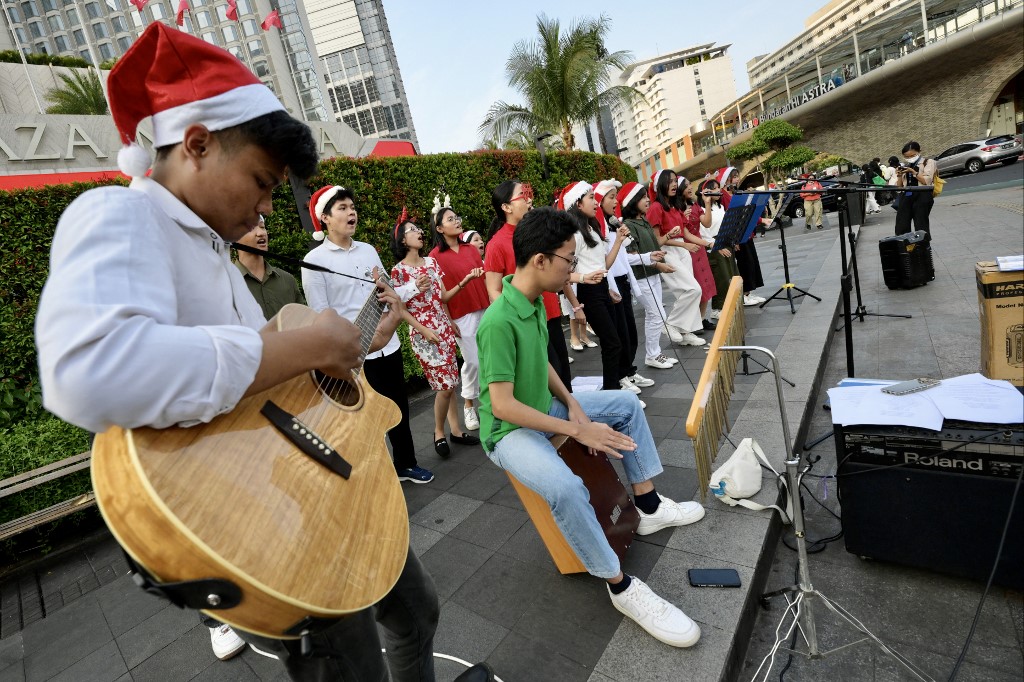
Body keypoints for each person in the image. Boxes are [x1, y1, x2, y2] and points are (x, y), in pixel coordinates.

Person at [34, 23, 502, 682]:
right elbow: (86, 371)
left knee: (417, 612)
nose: (264, 204)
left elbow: (263, 380)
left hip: (303, 481)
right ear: (196, 143)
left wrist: (330, 347)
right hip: (262, 517)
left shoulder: (212, 253)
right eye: (260, 180)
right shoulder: (117, 216)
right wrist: (304, 343)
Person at [476, 205, 705, 648]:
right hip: (510, 432)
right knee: (564, 489)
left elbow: (540, 363)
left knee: (623, 403)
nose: (573, 269)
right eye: (569, 259)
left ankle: (649, 505)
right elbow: (502, 406)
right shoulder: (497, 320)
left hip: (544, 407)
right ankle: (619, 585)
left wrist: (572, 407)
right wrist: (578, 430)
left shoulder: (532, 301)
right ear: (540, 260)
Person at [303, 185, 435, 485]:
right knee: (369, 418)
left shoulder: (368, 250)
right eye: (342, 208)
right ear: (324, 217)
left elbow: (386, 292)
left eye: (352, 206)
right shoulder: (314, 261)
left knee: (399, 408)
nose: (352, 212)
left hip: (389, 345)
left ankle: (406, 464)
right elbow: (321, 314)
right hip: (357, 354)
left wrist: (412, 289)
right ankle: (378, 477)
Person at [389, 213, 482, 456]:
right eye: (412, 230)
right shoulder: (397, 272)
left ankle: (456, 431)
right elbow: (399, 309)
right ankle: (439, 432)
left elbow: (443, 297)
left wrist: (464, 281)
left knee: (450, 382)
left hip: (442, 328)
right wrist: (423, 329)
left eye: (419, 229)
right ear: (402, 240)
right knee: (445, 385)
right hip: (423, 333)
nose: (419, 232)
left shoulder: (431, 263)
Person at [484, 180, 576, 390]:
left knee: (563, 373)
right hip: (524, 318)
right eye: (522, 195)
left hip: (548, 312)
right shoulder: (496, 245)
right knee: (546, 379)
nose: (529, 199)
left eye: (528, 194)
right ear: (506, 207)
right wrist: (516, 316)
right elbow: (493, 289)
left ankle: (572, 414)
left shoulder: (539, 232)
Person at [561, 181, 638, 397]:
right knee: (612, 343)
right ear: (577, 204)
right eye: (591, 199)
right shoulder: (574, 235)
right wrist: (577, 306)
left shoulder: (592, 228)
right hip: (589, 293)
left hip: (602, 289)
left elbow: (603, 265)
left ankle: (614, 389)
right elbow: (563, 274)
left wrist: (619, 241)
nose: (596, 203)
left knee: (615, 343)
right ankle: (612, 392)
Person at [429, 201, 489, 432]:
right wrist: (448, 319)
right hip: (460, 314)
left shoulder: (470, 249)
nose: (457, 221)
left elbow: (483, 279)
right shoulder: (434, 257)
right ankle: (469, 405)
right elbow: (439, 293)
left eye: (457, 217)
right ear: (440, 228)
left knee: (489, 358)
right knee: (473, 361)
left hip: (484, 307)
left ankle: (492, 406)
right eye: (450, 219)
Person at [596, 178, 657, 394]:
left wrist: (649, 257)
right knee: (619, 334)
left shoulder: (614, 224)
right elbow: (606, 263)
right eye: (611, 197)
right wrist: (611, 286)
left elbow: (623, 259)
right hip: (612, 286)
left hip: (623, 282)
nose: (615, 201)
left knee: (631, 331)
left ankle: (629, 371)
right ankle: (621, 376)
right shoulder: (600, 229)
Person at [618, 181, 678, 370]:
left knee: (655, 314)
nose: (647, 200)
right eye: (643, 197)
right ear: (632, 201)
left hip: (652, 274)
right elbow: (633, 257)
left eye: (646, 196)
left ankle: (655, 352)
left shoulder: (643, 221)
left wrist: (659, 256)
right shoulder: (628, 225)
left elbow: (652, 246)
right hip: (641, 277)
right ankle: (652, 355)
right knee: (657, 314)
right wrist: (658, 263)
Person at [645, 170, 704, 346]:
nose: (674, 184)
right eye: (669, 181)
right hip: (668, 252)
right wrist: (683, 244)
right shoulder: (656, 208)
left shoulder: (675, 205)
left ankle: (686, 331)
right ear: (660, 185)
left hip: (681, 251)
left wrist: (704, 244)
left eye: (674, 181)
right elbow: (657, 240)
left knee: (684, 293)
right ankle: (670, 323)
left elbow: (684, 233)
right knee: (694, 289)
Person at [234, 215, 305, 319]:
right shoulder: (227, 283)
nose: (261, 233)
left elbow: (303, 322)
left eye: (262, 227)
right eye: (252, 228)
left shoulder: (287, 280)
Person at [716, 167, 766, 306]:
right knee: (745, 263)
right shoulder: (723, 195)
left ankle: (749, 292)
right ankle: (744, 294)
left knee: (752, 262)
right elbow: (728, 216)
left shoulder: (734, 193)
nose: (737, 179)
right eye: (735, 176)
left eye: (737, 176)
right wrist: (733, 238)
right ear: (727, 179)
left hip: (745, 231)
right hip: (736, 234)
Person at [675, 177, 717, 327]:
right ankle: (693, 322)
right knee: (696, 286)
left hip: (699, 248)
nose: (690, 188)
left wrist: (706, 202)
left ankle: (701, 319)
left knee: (705, 283)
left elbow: (707, 222)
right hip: (688, 249)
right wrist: (709, 243)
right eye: (686, 186)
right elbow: (685, 234)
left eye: (689, 185)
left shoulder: (694, 206)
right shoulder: (676, 209)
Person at [696, 178, 739, 320]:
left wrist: (732, 240)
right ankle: (717, 308)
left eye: (718, 188)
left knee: (731, 273)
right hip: (713, 245)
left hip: (725, 241)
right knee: (720, 277)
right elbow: (703, 232)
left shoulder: (720, 207)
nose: (718, 191)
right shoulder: (702, 209)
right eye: (714, 188)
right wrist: (717, 246)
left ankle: (730, 304)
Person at [894, 141, 936, 236]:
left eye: (912, 155)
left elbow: (926, 181)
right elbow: (900, 187)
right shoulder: (906, 166)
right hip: (907, 195)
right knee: (901, 223)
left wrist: (913, 172)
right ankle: (904, 245)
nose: (909, 158)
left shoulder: (928, 162)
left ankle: (923, 246)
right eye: (906, 157)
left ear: (919, 152)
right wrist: (900, 175)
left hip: (922, 194)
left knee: (921, 223)